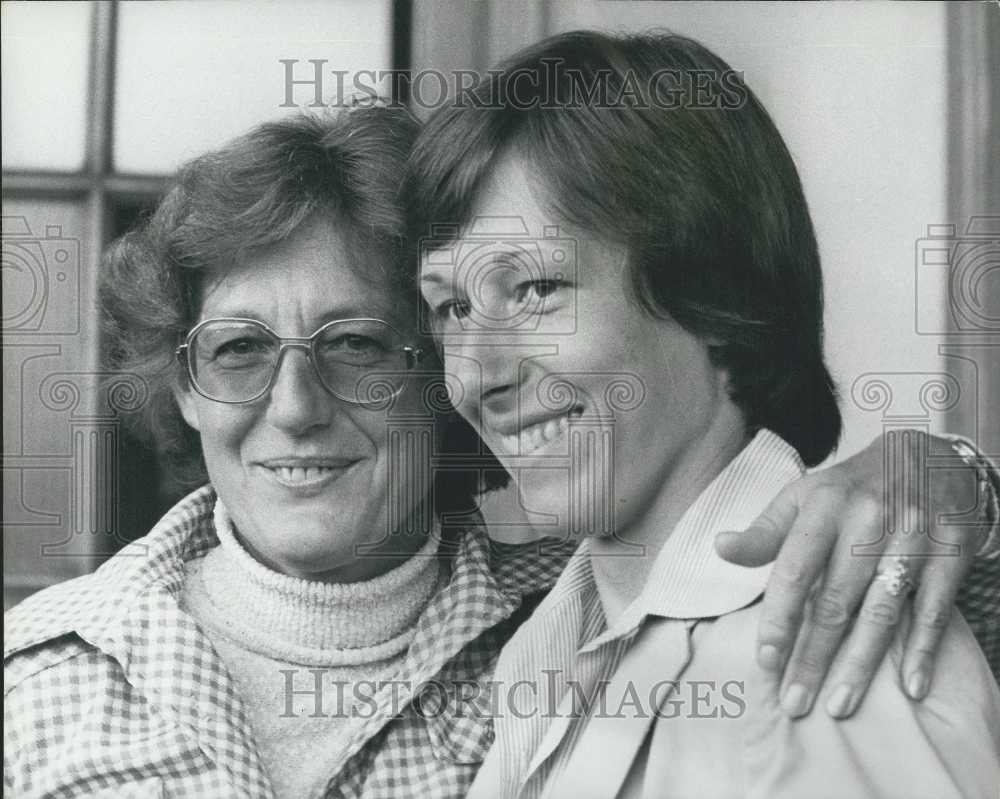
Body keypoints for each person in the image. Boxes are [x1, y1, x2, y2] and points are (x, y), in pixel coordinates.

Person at [2, 70, 997, 799]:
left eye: (354, 342)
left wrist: (948, 471)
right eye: (236, 350)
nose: (295, 404)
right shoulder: (41, 677)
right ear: (179, 383)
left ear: (422, 379)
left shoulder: (587, 616)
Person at [406, 30, 1000, 798]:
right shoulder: (554, 644)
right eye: (451, 307)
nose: (477, 373)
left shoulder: (819, 656)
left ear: (713, 296)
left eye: (534, 289)